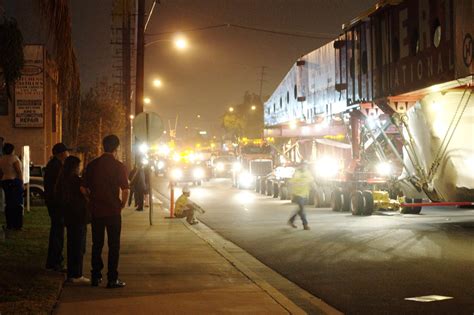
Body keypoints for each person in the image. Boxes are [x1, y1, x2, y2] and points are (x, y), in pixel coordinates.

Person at [81, 135, 130, 288]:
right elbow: (125, 188)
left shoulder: (92, 165)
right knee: (114, 245)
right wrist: (122, 203)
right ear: (116, 148)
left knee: (97, 244)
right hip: (113, 211)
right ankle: (112, 278)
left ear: (103, 146)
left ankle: (95, 276)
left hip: (97, 211)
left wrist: (90, 198)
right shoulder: (119, 166)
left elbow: (83, 187)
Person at [56, 156, 90, 284]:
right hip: (78, 215)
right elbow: (86, 193)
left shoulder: (62, 180)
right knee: (78, 245)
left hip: (69, 215)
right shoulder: (76, 180)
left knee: (72, 244)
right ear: (75, 167)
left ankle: (72, 273)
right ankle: (77, 274)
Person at [44, 143, 70, 271]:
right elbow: (58, 187)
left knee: (57, 231)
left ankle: (54, 260)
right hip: (57, 204)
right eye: (66, 152)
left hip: (53, 203)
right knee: (57, 232)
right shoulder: (57, 166)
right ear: (61, 153)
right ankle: (55, 261)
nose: (68, 154)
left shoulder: (53, 165)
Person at [0, 143, 24, 230]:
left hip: (5, 181)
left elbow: (1, 172)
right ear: (12, 150)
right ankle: (17, 224)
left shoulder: (2, 159)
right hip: (14, 181)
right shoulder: (14, 158)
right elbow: (18, 171)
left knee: (9, 203)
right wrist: (21, 182)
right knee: (17, 204)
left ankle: (9, 224)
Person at [288, 162, 314, 230]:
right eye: (303, 165)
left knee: (300, 209)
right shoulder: (297, 173)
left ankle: (291, 220)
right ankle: (305, 225)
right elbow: (291, 182)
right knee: (302, 210)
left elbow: (311, 179)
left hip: (305, 194)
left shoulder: (307, 172)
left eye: (306, 165)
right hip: (297, 194)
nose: (304, 167)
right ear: (300, 166)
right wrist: (291, 192)